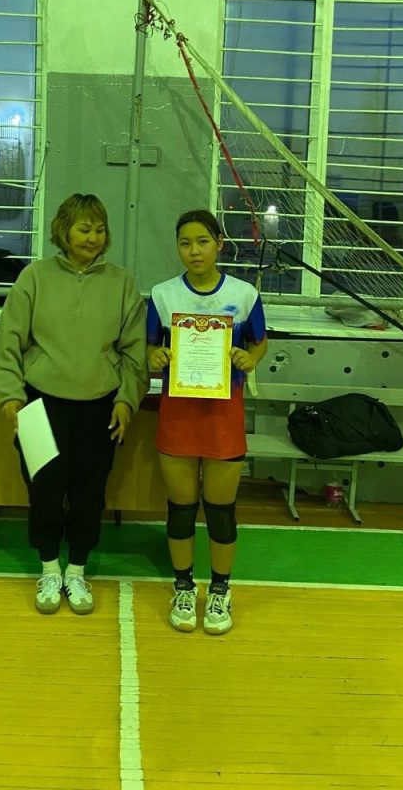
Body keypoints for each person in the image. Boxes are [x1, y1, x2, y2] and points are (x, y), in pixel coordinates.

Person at [0, 193, 148, 615]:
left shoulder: (122, 283)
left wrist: (127, 399)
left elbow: (135, 353)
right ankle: (49, 569)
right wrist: (10, 395)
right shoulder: (34, 278)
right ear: (64, 230)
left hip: (100, 408)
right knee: (44, 491)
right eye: (84, 229)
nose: (92, 237)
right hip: (40, 405)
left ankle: (76, 570)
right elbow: (7, 343)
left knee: (89, 493)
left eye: (99, 229)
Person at [147, 209, 268, 635]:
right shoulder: (163, 295)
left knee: (220, 512)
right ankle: (183, 587)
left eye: (202, 241)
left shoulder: (244, 294)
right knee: (180, 511)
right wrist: (156, 356)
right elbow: (149, 347)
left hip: (223, 416)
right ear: (177, 247)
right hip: (178, 416)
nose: (194, 251)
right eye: (185, 243)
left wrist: (249, 359)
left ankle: (219, 590)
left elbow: (259, 343)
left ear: (219, 243)